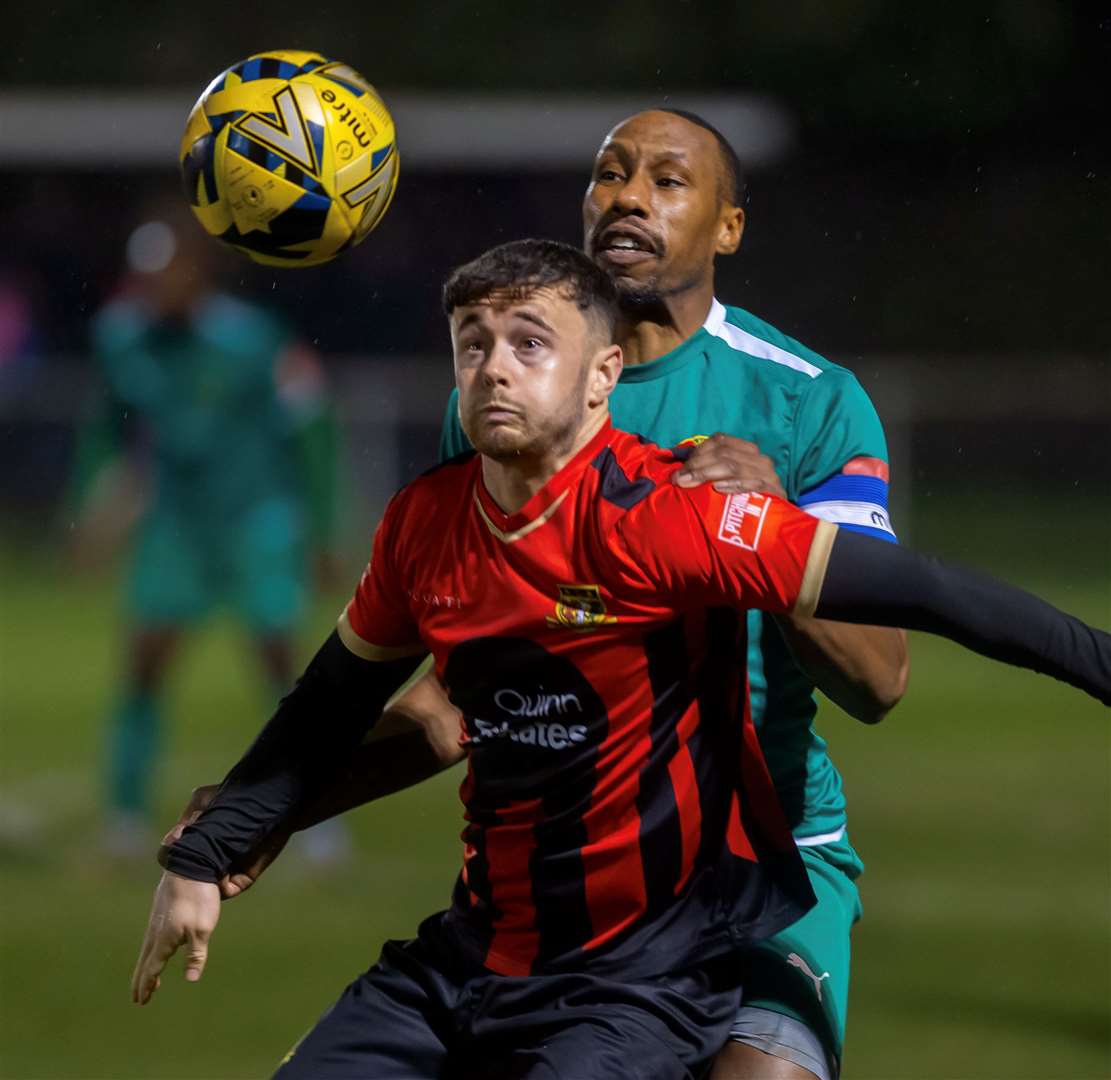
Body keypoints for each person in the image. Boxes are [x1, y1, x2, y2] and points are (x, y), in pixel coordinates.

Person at [133, 240, 1110, 1080]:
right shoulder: (424, 524)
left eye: (528, 344)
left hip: (635, 982)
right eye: (472, 345)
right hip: (472, 957)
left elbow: (930, 593)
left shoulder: (667, 516)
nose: (493, 369)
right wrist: (205, 855)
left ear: (601, 377)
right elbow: (332, 700)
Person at [165, 109, 907, 1079]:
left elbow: (879, 679)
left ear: (728, 226)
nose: (628, 196)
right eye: (608, 174)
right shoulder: (504, 398)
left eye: (667, 180)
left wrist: (777, 528)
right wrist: (274, 804)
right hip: (573, 885)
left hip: (766, 865)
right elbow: (453, 701)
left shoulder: (808, 399)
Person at [73, 207, 344, 855]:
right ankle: (126, 818)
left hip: (257, 520)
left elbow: (310, 431)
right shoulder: (120, 337)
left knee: (283, 669)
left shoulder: (254, 337)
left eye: (165, 273)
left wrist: (324, 527)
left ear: (196, 273)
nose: (153, 287)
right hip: (175, 525)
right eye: (143, 275)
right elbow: (105, 430)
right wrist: (92, 507)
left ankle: (319, 819)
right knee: (143, 664)